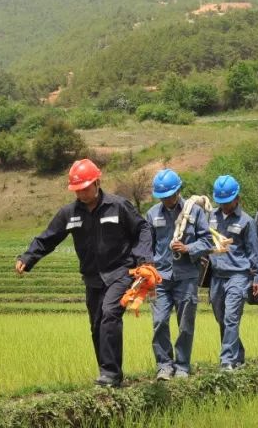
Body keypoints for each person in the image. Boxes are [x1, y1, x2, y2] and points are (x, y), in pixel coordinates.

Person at [15, 158, 153, 387]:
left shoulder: (118, 206)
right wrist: (28, 257)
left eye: (85, 188)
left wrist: (143, 260)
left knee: (110, 313)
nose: (81, 194)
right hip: (93, 277)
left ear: (97, 182)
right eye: (77, 190)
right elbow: (50, 237)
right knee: (97, 323)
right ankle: (107, 374)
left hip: (120, 271)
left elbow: (142, 229)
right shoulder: (69, 213)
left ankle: (110, 373)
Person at [146, 168, 213, 380]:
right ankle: (164, 365)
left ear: (178, 191)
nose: (166, 200)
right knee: (159, 322)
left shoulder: (194, 212)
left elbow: (208, 242)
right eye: (162, 197)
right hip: (161, 277)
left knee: (185, 325)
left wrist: (188, 249)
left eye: (169, 196)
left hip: (187, 277)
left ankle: (182, 365)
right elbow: (147, 245)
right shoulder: (152, 214)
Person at [207, 175, 258, 371]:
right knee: (221, 317)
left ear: (236, 198)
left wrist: (257, 277)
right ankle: (237, 354)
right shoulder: (210, 217)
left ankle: (227, 361)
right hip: (216, 275)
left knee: (231, 317)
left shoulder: (246, 221)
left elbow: (255, 251)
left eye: (227, 202)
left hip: (238, 275)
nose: (224, 205)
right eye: (220, 202)